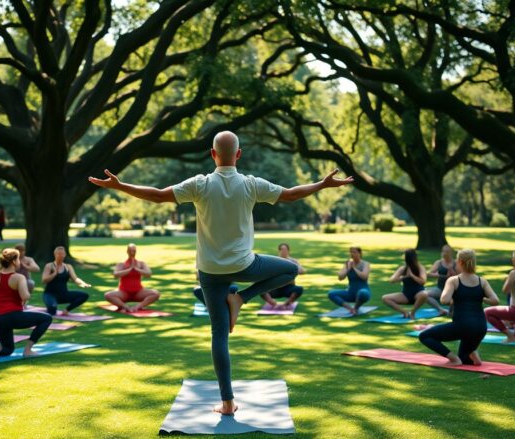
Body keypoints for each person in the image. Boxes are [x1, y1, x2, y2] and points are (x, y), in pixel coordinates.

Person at [88, 130, 352, 415]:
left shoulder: (199, 184)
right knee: (290, 269)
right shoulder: (251, 184)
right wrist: (322, 184)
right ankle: (242, 298)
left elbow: (158, 195)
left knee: (219, 335)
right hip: (244, 266)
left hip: (209, 271)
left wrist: (120, 186)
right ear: (239, 154)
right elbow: (290, 195)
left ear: (212, 154)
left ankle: (227, 403)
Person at [419, 249, 499, 365]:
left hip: (463, 326)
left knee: (425, 336)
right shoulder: (482, 281)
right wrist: (481, 298)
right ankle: (472, 353)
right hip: (481, 327)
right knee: (464, 358)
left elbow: (444, 300)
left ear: (460, 262)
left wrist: (454, 297)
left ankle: (453, 359)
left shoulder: (454, 280)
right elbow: (495, 300)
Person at [0, 248, 52, 358]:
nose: (19, 261)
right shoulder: (19, 277)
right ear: (14, 261)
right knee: (46, 318)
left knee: (9, 349)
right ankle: (28, 350)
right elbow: (25, 296)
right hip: (12, 316)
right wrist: (27, 291)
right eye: (18, 259)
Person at [104, 243, 161, 312]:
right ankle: (125, 307)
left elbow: (149, 274)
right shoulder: (121, 264)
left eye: (134, 251)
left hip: (138, 292)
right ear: (127, 251)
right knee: (108, 295)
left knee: (156, 294)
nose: (132, 253)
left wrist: (137, 269)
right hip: (123, 292)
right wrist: (129, 269)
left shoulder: (141, 263)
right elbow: (116, 275)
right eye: (130, 251)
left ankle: (138, 307)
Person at [41, 246, 92, 316]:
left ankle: (66, 310)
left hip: (63, 294)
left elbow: (75, 279)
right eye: (59, 254)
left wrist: (83, 283)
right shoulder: (49, 266)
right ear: (55, 254)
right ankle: (51, 305)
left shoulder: (68, 267)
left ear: (65, 255)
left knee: (84, 295)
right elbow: (44, 280)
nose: (60, 255)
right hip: (50, 294)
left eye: (62, 254)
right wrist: (54, 274)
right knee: (52, 310)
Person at [382, 249, 428, 319]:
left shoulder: (420, 267)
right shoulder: (403, 269)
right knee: (385, 298)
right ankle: (404, 312)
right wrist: (404, 277)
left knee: (424, 294)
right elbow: (391, 280)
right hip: (406, 295)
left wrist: (412, 276)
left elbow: (423, 281)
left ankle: (413, 313)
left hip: (418, 294)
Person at [260, 243, 305, 310]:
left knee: (299, 289)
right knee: (260, 289)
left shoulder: (293, 261)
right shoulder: (274, 260)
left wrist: (291, 269)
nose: (284, 251)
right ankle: (273, 303)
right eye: (282, 250)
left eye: (285, 250)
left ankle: (286, 304)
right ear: (279, 251)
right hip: (274, 287)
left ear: (288, 251)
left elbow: (302, 271)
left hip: (288, 288)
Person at [327, 246, 371, 315]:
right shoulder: (348, 264)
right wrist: (348, 269)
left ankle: (356, 308)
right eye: (351, 252)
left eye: (354, 252)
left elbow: (364, 277)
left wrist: (354, 268)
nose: (352, 254)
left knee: (362, 293)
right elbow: (340, 277)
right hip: (351, 293)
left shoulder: (365, 264)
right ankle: (350, 309)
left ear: (359, 253)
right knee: (331, 293)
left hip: (363, 291)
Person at [425, 245, 457, 316]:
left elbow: (460, 276)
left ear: (451, 253)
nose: (445, 253)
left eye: (447, 252)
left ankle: (451, 310)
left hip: (452, 291)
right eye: (443, 251)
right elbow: (428, 274)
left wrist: (451, 270)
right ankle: (441, 310)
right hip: (440, 289)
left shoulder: (456, 263)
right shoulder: (439, 263)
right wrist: (439, 276)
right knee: (424, 295)